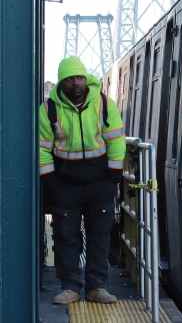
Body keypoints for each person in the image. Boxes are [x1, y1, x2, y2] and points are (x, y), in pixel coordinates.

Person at [39, 57, 125, 305]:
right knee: (66, 236)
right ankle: (70, 288)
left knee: (100, 235)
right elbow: (43, 148)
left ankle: (97, 287)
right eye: (70, 79)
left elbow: (116, 139)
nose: (76, 84)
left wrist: (114, 174)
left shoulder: (103, 104)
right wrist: (50, 179)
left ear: (85, 79)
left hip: (100, 181)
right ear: (62, 82)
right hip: (65, 184)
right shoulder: (48, 110)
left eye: (79, 78)